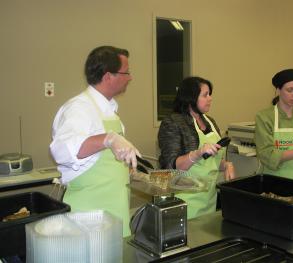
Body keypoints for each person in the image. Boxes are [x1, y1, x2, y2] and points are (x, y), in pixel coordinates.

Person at [50, 46, 140, 237]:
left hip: (114, 211)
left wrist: (125, 171)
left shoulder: (109, 109)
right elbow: (63, 150)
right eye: (127, 72)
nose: (130, 78)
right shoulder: (79, 108)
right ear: (108, 76)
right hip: (89, 218)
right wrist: (109, 138)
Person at [158, 76, 235, 219]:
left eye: (210, 94)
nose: (210, 98)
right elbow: (171, 166)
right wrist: (197, 154)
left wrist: (226, 165)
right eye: (205, 95)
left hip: (209, 198)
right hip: (185, 200)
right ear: (191, 97)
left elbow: (211, 160)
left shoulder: (210, 121)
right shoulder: (173, 122)